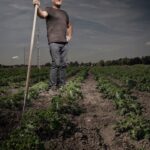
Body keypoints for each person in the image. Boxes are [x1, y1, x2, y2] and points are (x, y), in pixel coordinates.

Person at [33, 0, 73, 90]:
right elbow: (42, 14)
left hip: (64, 43)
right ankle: (53, 86)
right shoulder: (49, 9)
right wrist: (37, 6)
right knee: (56, 63)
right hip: (54, 42)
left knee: (63, 64)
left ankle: (62, 85)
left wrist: (69, 36)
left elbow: (69, 25)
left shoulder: (64, 13)